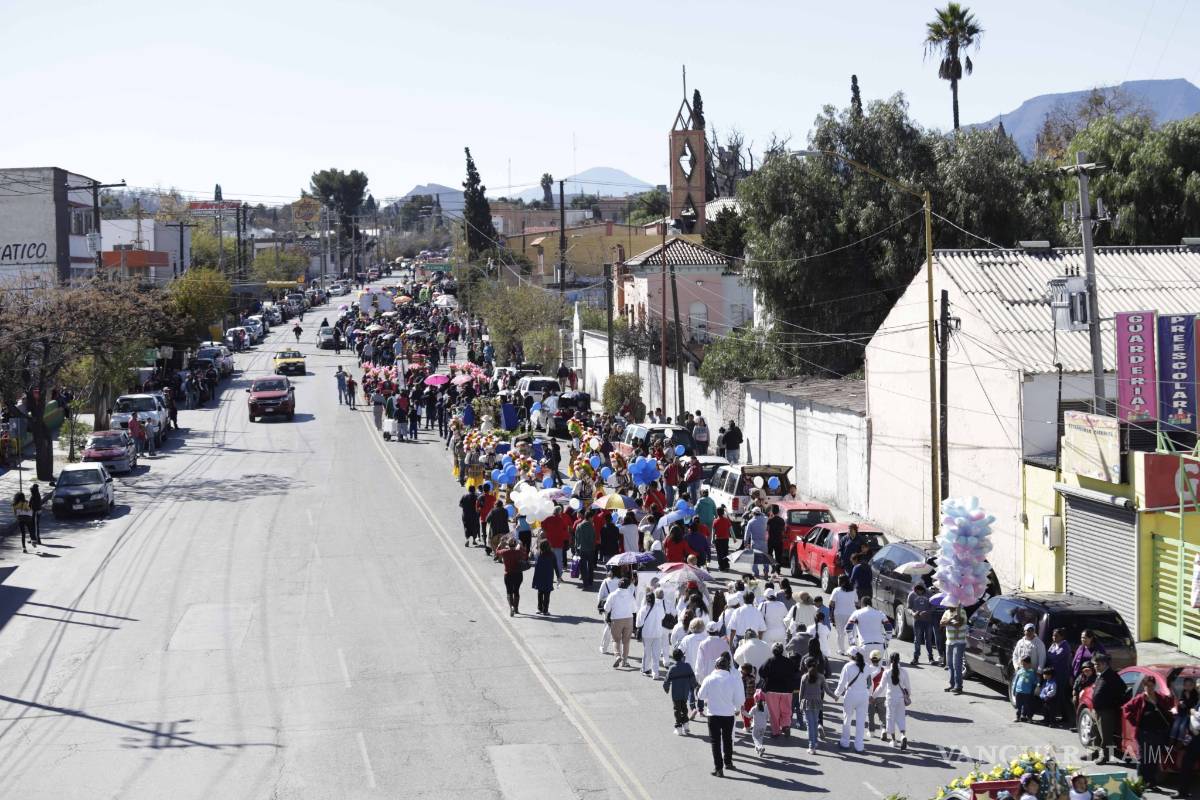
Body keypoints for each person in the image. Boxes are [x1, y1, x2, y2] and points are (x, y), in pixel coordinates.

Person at [697, 652, 744, 777]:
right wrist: (735, 707)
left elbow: (700, 696)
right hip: (728, 715)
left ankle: (719, 768)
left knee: (715, 742)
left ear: (716, 666)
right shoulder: (733, 680)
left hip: (713, 715)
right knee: (728, 739)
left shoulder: (709, 679)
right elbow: (740, 699)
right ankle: (728, 762)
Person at [1123, 674, 1173, 791]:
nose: (1149, 688)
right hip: (1144, 733)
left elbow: (1169, 703)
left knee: (1154, 759)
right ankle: (1141, 783)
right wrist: (1135, 721)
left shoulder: (1159, 697)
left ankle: (1151, 783)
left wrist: (1169, 688)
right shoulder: (1140, 699)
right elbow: (1126, 708)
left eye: (1151, 685)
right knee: (1143, 760)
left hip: (1158, 733)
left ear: (1154, 686)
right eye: (1147, 686)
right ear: (1144, 686)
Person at [758, 642, 796, 737]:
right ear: (782, 651)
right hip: (787, 690)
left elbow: (761, 672)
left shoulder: (769, 661)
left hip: (772, 690)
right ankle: (786, 725)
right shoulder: (789, 662)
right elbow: (795, 673)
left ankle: (776, 731)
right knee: (786, 710)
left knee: (774, 712)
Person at [799, 657, 836, 754]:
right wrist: (834, 696)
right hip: (817, 702)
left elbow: (801, 693)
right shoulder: (821, 677)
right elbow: (827, 690)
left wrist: (800, 704)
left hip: (807, 702)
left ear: (806, 666)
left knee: (809, 724)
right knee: (815, 723)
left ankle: (811, 746)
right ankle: (815, 742)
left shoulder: (804, 677)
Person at [836, 649, 870, 753]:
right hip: (864, 695)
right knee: (861, 721)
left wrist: (836, 694)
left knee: (847, 719)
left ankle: (845, 742)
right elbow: (869, 683)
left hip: (851, 695)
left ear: (851, 656)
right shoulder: (867, 666)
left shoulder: (848, 666)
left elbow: (842, 683)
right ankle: (859, 746)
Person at [877, 652, 911, 750]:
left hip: (890, 699)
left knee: (890, 719)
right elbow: (908, 688)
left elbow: (881, 687)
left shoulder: (887, 672)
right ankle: (903, 735)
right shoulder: (904, 672)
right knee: (901, 718)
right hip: (900, 698)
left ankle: (894, 740)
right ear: (899, 660)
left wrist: (873, 696)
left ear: (890, 660)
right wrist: (907, 696)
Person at [664, 648, 699, 736]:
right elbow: (692, 678)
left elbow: (667, 680)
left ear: (674, 658)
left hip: (676, 693)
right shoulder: (687, 666)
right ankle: (686, 724)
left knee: (677, 710)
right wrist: (694, 686)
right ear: (682, 657)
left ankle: (679, 727)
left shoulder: (672, 668)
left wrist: (666, 688)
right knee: (684, 708)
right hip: (685, 692)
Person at [604, 577, 637, 669]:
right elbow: (635, 609)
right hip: (628, 619)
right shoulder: (630, 595)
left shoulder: (612, 595)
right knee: (626, 642)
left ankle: (617, 655)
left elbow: (606, 608)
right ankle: (625, 661)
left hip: (616, 619)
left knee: (616, 640)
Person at [1045, 628, 1075, 726]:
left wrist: (1048, 655)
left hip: (1062, 675)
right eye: (1053, 635)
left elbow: (1054, 657)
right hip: (1053, 674)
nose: (1054, 637)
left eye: (1056, 636)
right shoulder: (1054, 645)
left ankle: (1060, 718)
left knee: (1059, 696)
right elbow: (1049, 655)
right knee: (1056, 696)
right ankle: (1059, 717)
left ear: (1062, 636)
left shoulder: (1065, 647)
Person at [636, 590, 667, 678]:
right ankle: (655, 673)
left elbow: (638, 624)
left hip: (647, 634)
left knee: (647, 653)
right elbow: (663, 616)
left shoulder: (643, 609)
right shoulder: (659, 607)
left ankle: (645, 669)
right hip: (657, 633)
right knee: (656, 654)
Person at [940, 602, 968, 694]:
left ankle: (958, 686)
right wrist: (951, 620)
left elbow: (959, 624)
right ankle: (952, 685)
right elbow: (941, 623)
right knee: (950, 665)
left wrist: (949, 622)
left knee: (957, 665)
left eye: (949, 604)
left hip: (959, 642)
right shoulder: (947, 612)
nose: (948, 606)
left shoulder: (961, 611)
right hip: (949, 642)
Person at [907, 583, 938, 666]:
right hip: (917, 620)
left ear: (923, 589)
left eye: (921, 591)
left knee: (928, 639)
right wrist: (913, 613)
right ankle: (916, 657)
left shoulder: (929, 594)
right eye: (917, 591)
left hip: (928, 620)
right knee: (917, 639)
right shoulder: (911, 595)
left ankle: (930, 657)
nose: (919, 593)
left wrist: (927, 612)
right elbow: (909, 608)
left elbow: (934, 606)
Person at [495, 537, 527, 616]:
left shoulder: (504, 552)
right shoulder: (518, 552)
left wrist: (499, 544)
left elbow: (497, 552)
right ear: (515, 544)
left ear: (508, 545)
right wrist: (521, 546)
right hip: (518, 574)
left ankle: (511, 607)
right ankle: (516, 609)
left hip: (508, 574)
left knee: (509, 592)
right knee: (516, 591)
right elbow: (525, 555)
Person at [531, 541, 561, 616]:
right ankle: (545, 610)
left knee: (540, 592)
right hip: (548, 576)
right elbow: (555, 566)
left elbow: (534, 562)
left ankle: (539, 608)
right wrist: (558, 576)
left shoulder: (538, 554)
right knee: (547, 593)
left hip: (539, 575)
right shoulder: (552, 555)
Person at [829, 576, 857, 655]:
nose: (838, 581)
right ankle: (852, 651)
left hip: (839, 615)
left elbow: (831, 603)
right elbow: (856, 602)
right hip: (852, 614)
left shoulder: (836, 590)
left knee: (840, 633)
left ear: (842, 582)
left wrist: (831, 615)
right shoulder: (854, 590)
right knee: (851, 633)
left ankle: (841, 650)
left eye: (839, 580)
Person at [743, 508, 770, 578]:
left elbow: (747, 534)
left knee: (755, 559)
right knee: (765, 558)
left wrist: (745, 543)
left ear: (753, 513)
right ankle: (766, 572)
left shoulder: (751, 522)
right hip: (764, 542)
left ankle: (756, 573)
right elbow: (765, 516)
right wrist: (762, 513)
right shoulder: (765, 519)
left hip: (754, 542)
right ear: (760, 513)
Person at [574, 513, 597, 589]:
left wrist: (576, 548)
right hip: (590, 549)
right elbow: (593, 537)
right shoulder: (592, 526)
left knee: (583, 567)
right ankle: (590, 581)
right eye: (592, 517)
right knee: (591, 566)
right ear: (589, 518)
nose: (593, 519)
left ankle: (585, 583)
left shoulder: (579, 525)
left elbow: (577, 538)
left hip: (582, 549)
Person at [1012, 655, 1038, 722]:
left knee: (1027, 706)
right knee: (1018, 706)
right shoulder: (1020, 671)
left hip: (1027, 692)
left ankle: (1029, 718)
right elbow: (1015, 681)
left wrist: (1037, 685)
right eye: (1022, 664)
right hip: (1018, 691)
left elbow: (1034, 682)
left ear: (1029, 664)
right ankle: (1018, 717)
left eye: (1025, 664)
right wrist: (1014, 690)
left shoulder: (1032, 672)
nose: (1023, 665)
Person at [749, 689, 770, 756]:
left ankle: (760, 747)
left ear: (755, 699)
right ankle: (759, 750)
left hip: (756, 726)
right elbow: (768, 717)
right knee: (760, 738)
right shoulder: (766, 707)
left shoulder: (754, 708)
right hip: (763, 726)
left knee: (754, 737)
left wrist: (743, 711)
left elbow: (749, 715)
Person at [712, 507, 733, 571]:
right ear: (723, 513)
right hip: (726, 539)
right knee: (725, 552)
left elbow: (714, 531)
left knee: (719, 553)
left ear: (717, 513)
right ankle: (726, 565)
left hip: (718, 539)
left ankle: (721, 566)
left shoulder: (715, 521)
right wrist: (734, 538)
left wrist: (713, 539)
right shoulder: (727, 520)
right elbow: (731, 529)